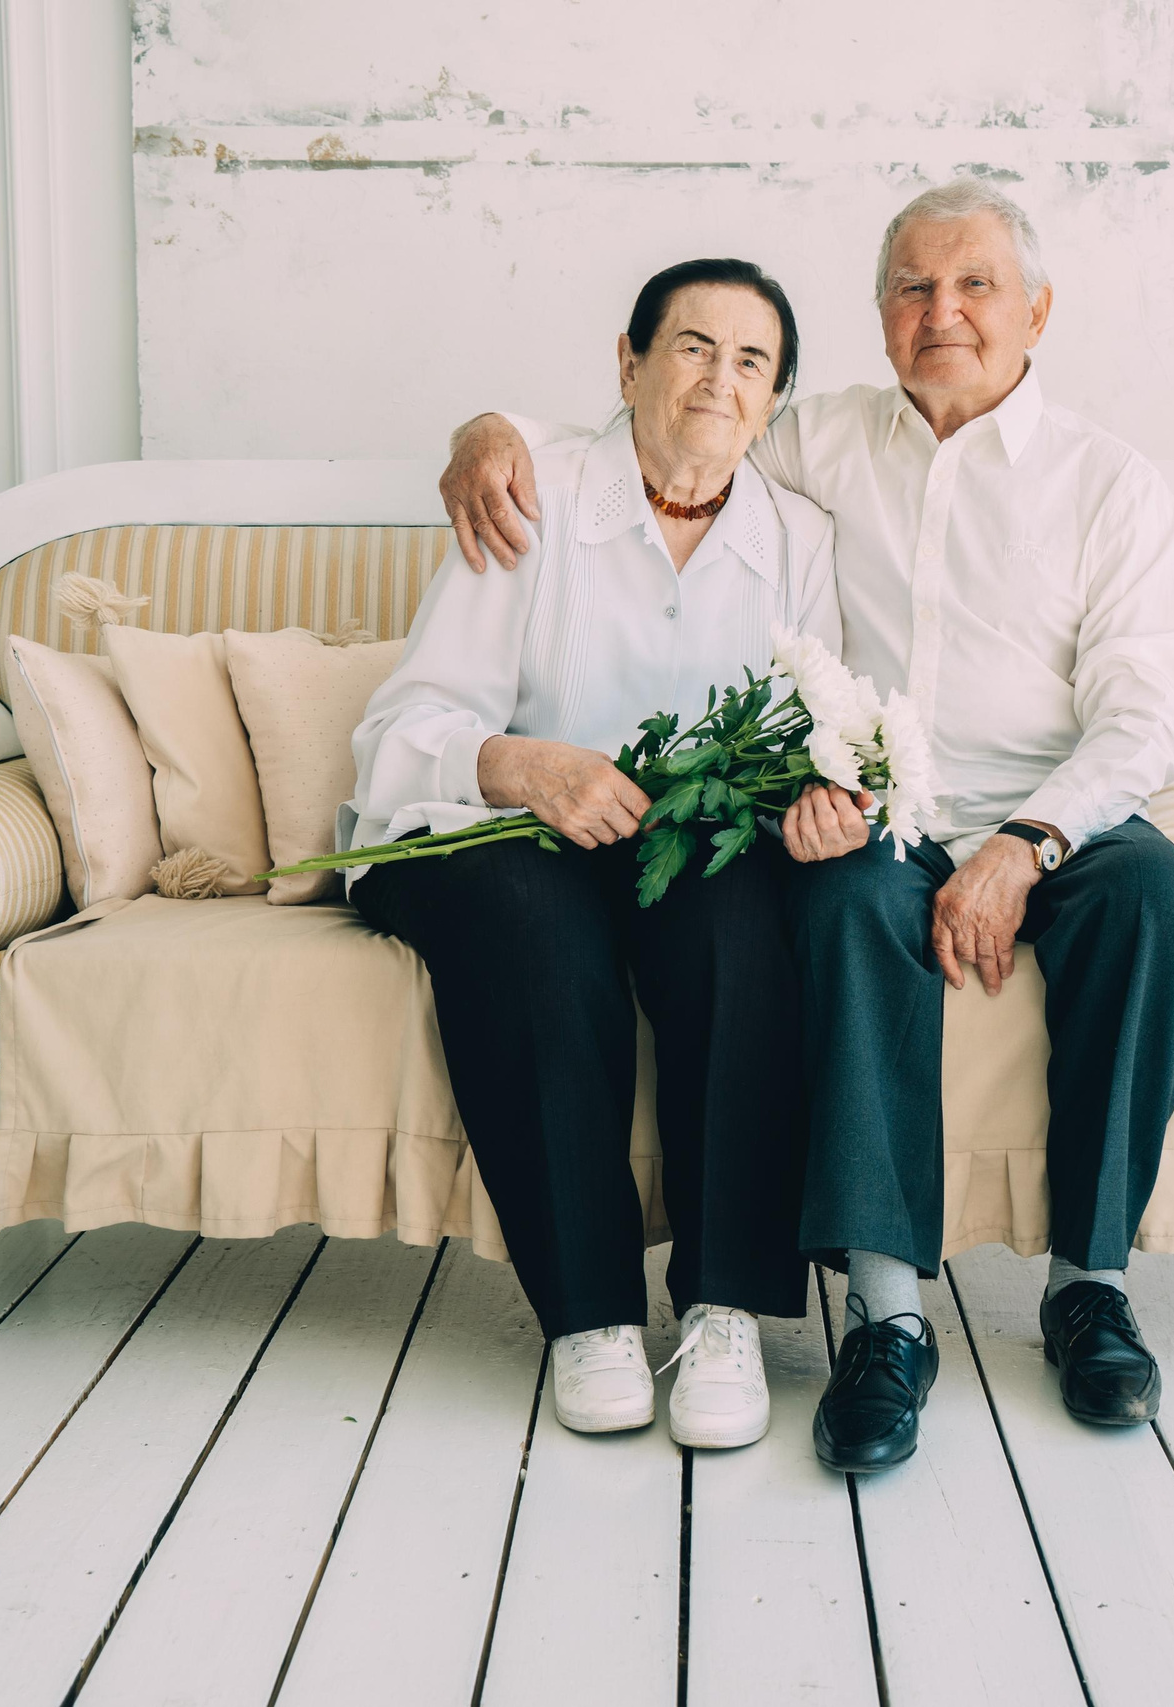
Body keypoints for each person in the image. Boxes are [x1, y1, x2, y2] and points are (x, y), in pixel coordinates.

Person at [437, 182, 1174, 1473]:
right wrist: (489, 429)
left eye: (974, 285)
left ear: (1037, 309)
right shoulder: (825, 440)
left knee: (1164, 909)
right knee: (840, 905)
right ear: (880, 314)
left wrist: (1024, 844)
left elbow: (1140, 719)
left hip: (1055, 809)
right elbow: (682, 417)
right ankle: (887, 1319)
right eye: (913, 287)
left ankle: (1092, 1285)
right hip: (875, 811)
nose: (944, 312)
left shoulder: (1110, 483)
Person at [349, 258, 839, 1449]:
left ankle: (725, 1307)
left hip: (675, 854)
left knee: (743, 921)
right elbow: (399, 735)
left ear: (772, 404)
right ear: (627, 364)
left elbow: (809, 731)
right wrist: (520, 764)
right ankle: (591, 1317)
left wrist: (820, 799)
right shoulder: (534, 496)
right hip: (491, 835)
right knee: (533, 912)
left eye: (751, 361)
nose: (719, 379)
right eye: (690, 347)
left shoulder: (800, 542)